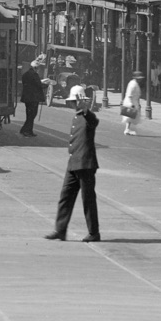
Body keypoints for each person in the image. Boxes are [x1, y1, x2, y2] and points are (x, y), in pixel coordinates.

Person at [44, 89, 100, 242]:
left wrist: (86, 109)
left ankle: (94, 233)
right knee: (65, 197)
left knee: (87, 199)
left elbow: (93, 120)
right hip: (74, 163)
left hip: (85, 165)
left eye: (73, 102)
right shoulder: (76, 117)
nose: (71, 105)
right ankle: (60, 229)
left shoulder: (88, 117)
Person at [18, 58, 46, 137]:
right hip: (33, 98)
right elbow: (38, 85)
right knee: (32, 115)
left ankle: (25, 129)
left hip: (27, 98)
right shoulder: (34, 75)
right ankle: (27, 131)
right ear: (36, 68)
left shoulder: (25, 74)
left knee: (29, 115)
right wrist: (46, 84)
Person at [122, 70, 144, 136]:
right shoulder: (133, 84)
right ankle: (127, 129)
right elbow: (129, 94)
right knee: (130, 117)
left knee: (131, 117)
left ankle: (127, 129)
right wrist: (130, 104)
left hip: (133, 102)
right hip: (131, 102)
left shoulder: (135, 84)